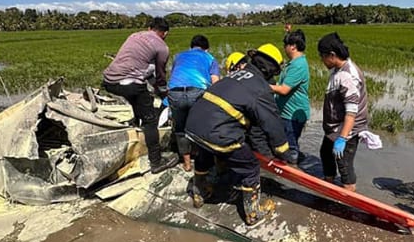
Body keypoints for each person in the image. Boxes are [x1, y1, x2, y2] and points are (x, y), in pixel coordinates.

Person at [185, 44, 294, 226]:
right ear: (270, 70)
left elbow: (254, 128)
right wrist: (283, 153)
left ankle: (199, 193)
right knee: (250, 165)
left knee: (205, 153)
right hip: (217, 132)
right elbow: (272, 125)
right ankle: (252, 214)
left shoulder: (236, 75)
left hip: (193, 125)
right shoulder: (261, 88)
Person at [102, 18, 178, 174]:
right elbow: (160, 76)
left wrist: (156, 88)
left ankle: (136, 123)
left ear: (149, 28)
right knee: (150, 120)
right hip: (131, 84)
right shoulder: (162, 47)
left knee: (141, 99)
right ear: (165, 33)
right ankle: (156, 162)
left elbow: (145, 70)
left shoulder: (134, 36)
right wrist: (164, 92)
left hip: (109, 81)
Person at [317, 32, 368, 192]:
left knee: (344, 166)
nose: (321, 60)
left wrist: (342, 139)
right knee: (326, 153)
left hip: (346, 130)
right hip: (335, 129)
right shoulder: (338, 69)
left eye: (322, 56)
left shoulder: (348, 75)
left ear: (332, 55)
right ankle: (328, 185)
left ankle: (349, 196)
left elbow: (351, 112)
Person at [167, 35, 221, 172]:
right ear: (206, 49)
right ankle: (203, 162)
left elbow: (175, 75)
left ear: (191, 47)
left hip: (175, 92)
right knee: (201, 127)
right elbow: (216, 83)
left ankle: (187, 164)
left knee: (180, 129)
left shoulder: (178, 56)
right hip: (197, 92)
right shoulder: (210, 58)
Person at [270, 30, 310, 165]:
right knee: (287, 143)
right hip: (287, 113)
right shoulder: (292, 63)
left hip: (292, 115)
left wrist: (263, 86)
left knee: (291, 149)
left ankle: (293, 171)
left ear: (292, 46)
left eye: (285, 45)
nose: (284, 48)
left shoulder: (298, 65)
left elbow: (284, 89)